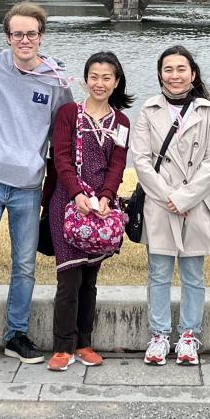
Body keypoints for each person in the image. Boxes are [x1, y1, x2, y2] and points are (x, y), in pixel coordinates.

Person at [0, 2, 72, 375]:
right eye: (17, 34)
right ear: (7, 37)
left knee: (24, 265)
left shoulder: (56, 79)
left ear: (42, 36)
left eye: (31, 34)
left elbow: (63, 133)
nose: (24, 40)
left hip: (28, 185)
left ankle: (17, 334)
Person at [132, 44, 210, 367]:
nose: (175, 75)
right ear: (160, 74)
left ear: (193, 73)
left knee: (193, 273)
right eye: (168, 69)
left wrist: (184, 198)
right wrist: (168, 197)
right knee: (158, 272)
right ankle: (158, 334)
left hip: (195, 205)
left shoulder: (209, 113)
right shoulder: (148, 110)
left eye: (181, 69)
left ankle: (189, 334)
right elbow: (141, 160)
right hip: (160, 203)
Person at [44, 52, 133, 371]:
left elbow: (118, 163)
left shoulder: (121, 122)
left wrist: (107, 196)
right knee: (68, 277)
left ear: (116, 82)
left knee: (90, 279)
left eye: (107, 77)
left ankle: (84, 342)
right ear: (85, 80)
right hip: (66, 203)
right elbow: (62, 158)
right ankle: (62, 346)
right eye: (94, 76)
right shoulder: (69, 113)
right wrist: (78, 192)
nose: (100, 83)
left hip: (101, 208)